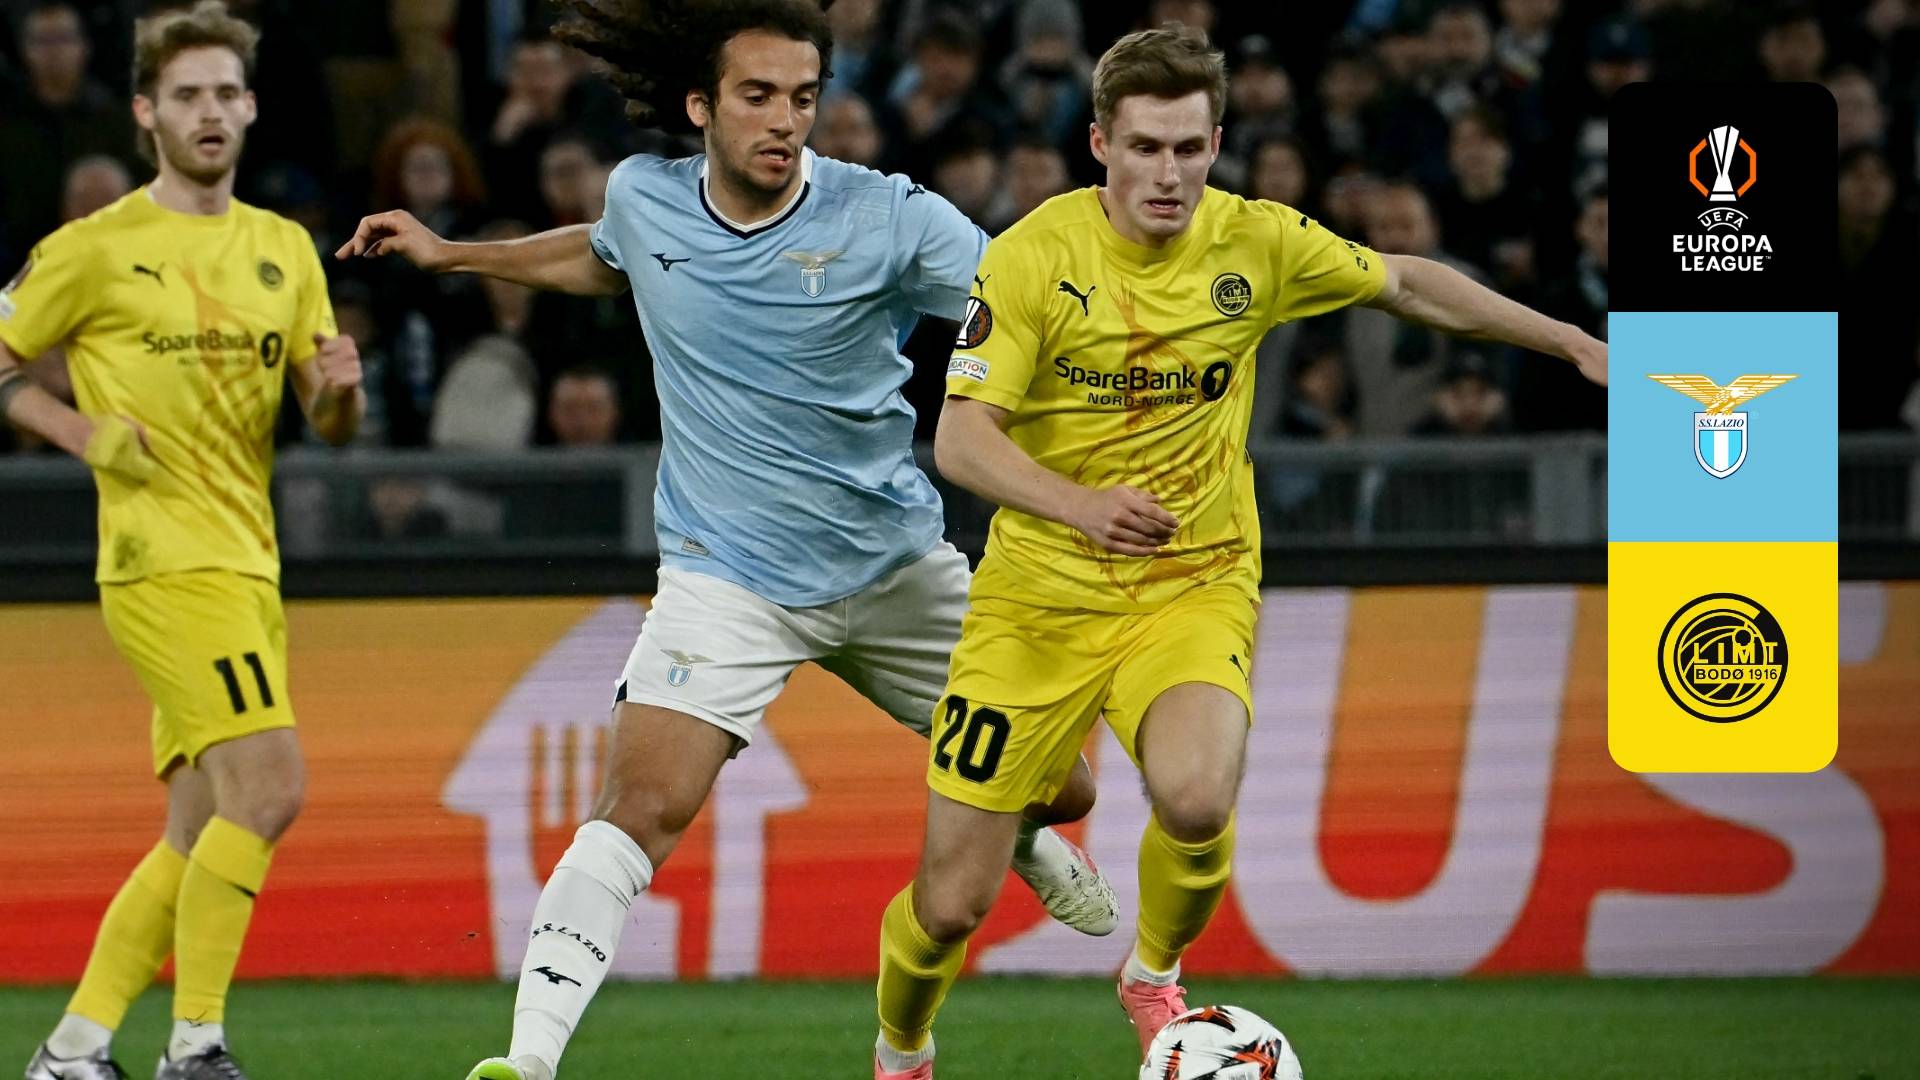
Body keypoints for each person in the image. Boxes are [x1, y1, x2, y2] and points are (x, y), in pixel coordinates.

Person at [334, 3, 1117, 1079]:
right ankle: (525, 1061)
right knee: (639, 807)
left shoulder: (888, 217)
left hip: (895, 567)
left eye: (802, 97)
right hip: (728, 579)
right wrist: (455, 254)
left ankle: (1023, 832)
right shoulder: (642, 198)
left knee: (1068, 788)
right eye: (758, 96)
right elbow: (607, 258)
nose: (784, 119)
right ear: (702, 106)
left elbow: (1024, 303)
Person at [869, 25, 1606, 1078]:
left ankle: (1151, 976)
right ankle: (901, 1049)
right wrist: (1082, 506)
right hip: (1036, 600)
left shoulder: (1256, 242)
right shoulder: (1031, 258)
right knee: (951, 904)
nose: (1168, 174)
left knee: (1198, 796)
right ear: (1100, 145)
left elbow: (1406, 282)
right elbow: (961, 442)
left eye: (1188, 148)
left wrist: (1574, 342)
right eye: (1144, 148)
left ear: (1216, 144)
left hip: (1193, 582)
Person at [1, 5, 365, 1079]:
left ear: (249, 109)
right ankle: (196, 1045)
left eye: (224, 94)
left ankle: (73, 1051)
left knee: (197, 830)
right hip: (161, 564)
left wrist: (341, 393)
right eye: (186, 95)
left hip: (249, 562)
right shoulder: (94, 248)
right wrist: (78, 430)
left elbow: (326, 423)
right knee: (272, 787)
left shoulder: (284, 249)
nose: (208, 112)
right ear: (146, 114)